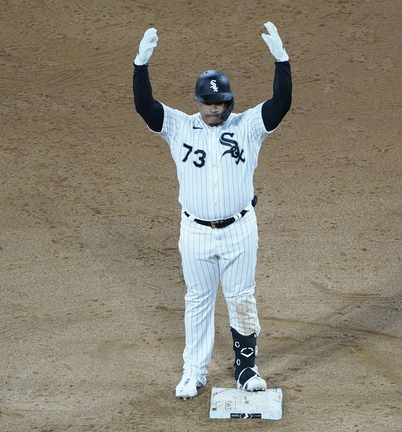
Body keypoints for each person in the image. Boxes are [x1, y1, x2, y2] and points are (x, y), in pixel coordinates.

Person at [132, 22, 292, 400]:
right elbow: (145, 107)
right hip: (196, 232)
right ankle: (194, 372)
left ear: (229, 102)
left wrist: (281, 61)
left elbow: (280, 104)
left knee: (241, 297)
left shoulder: (248, 127)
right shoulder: (178, 127)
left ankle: (246, 369)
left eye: (218, 102)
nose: (213, 108)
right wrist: (141, 66)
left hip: (239, 228)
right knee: (198, 300)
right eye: (206, 102)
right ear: (198, 102)